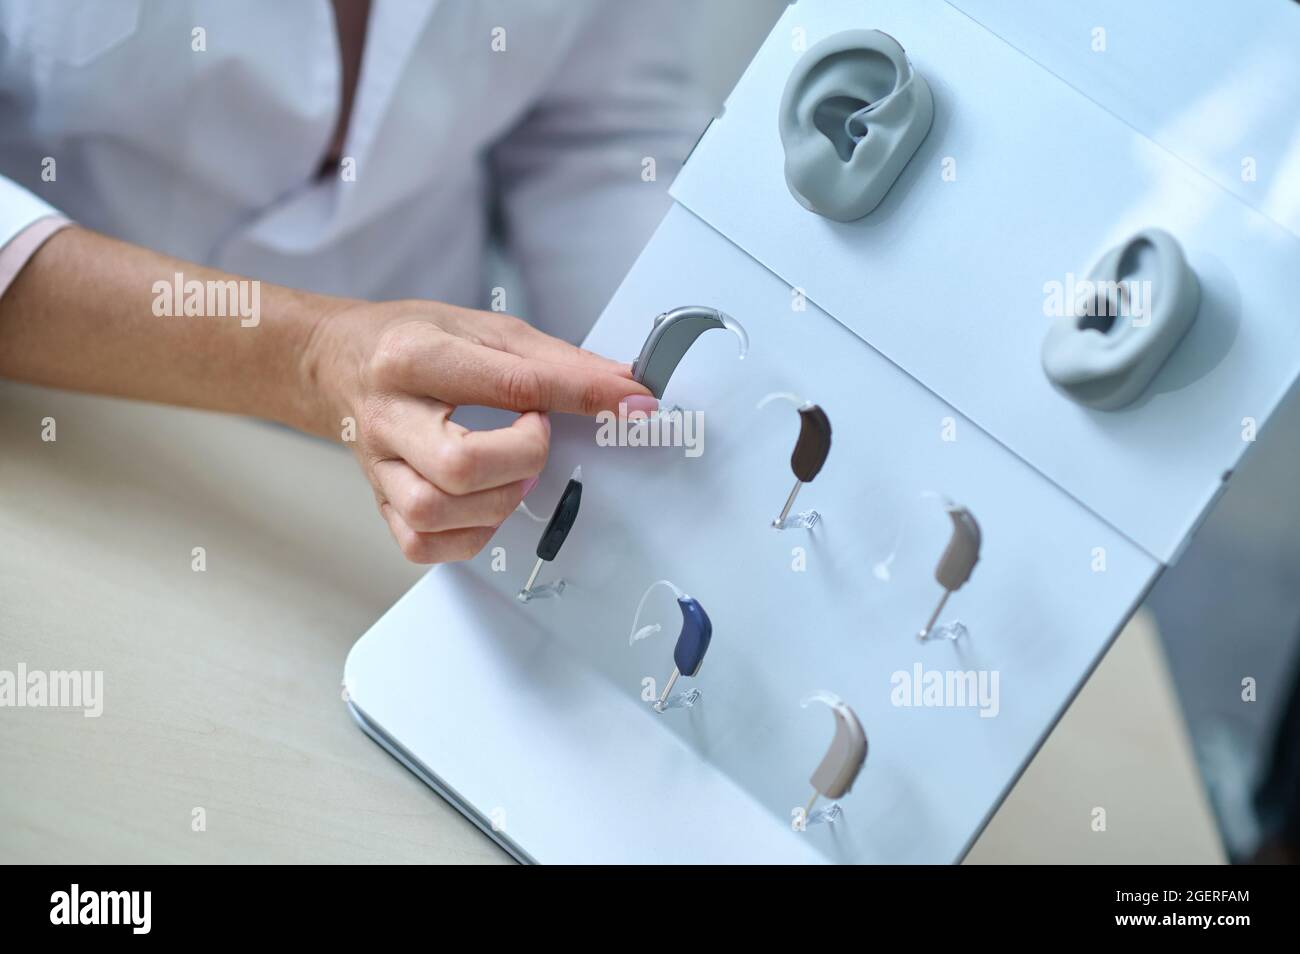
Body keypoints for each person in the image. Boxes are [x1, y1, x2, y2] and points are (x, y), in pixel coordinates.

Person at [0, 0, 705, 563]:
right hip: (55, 426)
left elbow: (600, 138)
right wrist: (309, 355)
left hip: (417, 494)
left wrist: (670, 404)